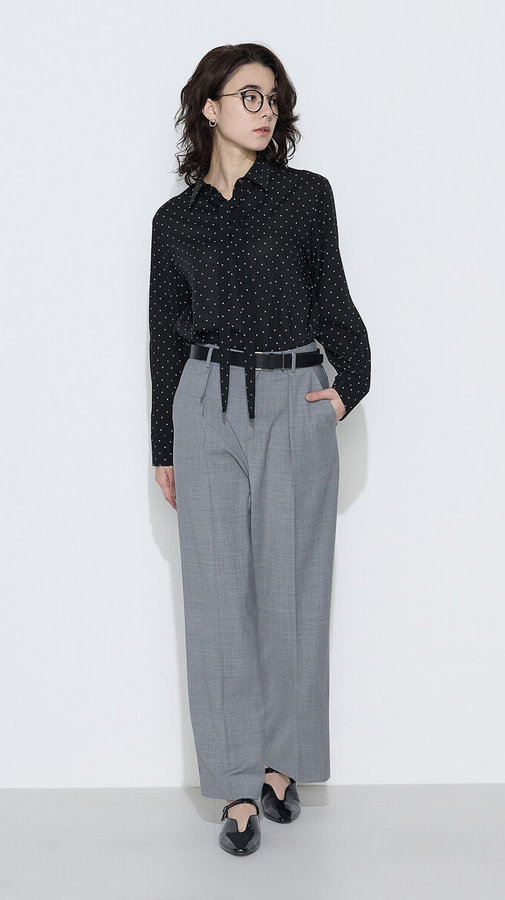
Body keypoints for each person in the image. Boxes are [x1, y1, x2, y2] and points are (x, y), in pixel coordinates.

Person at [148, 42, 371, 855]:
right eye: (248, 95)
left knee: (293, 590)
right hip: (205, 403)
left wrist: (349, 384)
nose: (265, 109)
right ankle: (237, 788)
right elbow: (163, 339)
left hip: (293, 397)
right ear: (209, 107)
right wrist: (164, 442)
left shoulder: (307, 197)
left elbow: (336, 299)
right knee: (215, 599)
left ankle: (282, 768)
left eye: (273, 97)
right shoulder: (174, 221)